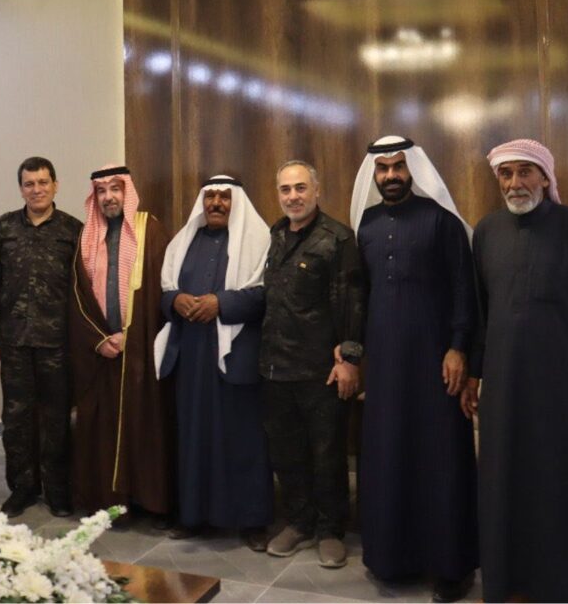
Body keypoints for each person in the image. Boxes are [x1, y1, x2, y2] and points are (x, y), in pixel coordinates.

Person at [463, 139, 568, 602]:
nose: (515, 183)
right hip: (505, 390)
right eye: (506, 174)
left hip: (564, 388)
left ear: (545, 177)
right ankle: (510, 581)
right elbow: (479, 313)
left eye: (524, 172)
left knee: (563, 487)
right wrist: (474, 374)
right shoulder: (487, 232)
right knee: (505, 485)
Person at [350, 136, 478, 602]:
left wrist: (458, 348)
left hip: (434, 362)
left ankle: (450, 567)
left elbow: (465, 292)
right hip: (384, 365)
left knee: (440, 457)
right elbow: (359, 295)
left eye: (398, 167)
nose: (390, 176)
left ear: (413, 170)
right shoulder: (365, 224)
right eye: (382, 169)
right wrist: (355, 354)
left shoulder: (441, 222)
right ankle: (393, 559)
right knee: (389, 454)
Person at [155, 175, 273, 551]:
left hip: (235, 356)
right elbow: (164, 291)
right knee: (194, 438)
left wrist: (222, 303)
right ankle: (193, 516)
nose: (216, 203)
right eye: (210, 197)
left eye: (224, 197)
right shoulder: (183, 241)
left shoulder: (258, 242)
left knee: (243, 441)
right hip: (191, 357)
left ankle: (251, 521)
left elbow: (265, 295)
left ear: (236, 201)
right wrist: (174, 301)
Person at [260, 161, 365, 567]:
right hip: (274, 367)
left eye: (300, 188)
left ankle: (330, 529)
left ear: (317, 191)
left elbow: (353, 301)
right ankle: (299, 522)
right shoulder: (275, 234)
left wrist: (350, 358)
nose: (293, 196)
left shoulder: (338, 239)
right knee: (286, 453)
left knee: (327, 454)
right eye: (285, 189)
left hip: (321, 368)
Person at [68, 165, 174, 522]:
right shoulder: (85, 237)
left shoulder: (150, 230)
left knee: (141, 427)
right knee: (100, 430)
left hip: (138, 349)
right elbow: (76, 296)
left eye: (116, 189)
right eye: (102, 191)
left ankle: (144, 502)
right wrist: (98, 340)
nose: (109, 196)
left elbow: (162, 290)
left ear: (127, 192)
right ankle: (104, 501)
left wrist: (132, 333)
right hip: (100, 354)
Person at [0, 157, 83, 518]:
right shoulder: (4, 227)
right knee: (16, 419)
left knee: (57, 419)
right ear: (21, 188)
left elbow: (80, 290)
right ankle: (23, 488)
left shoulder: (73, 230)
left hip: (57, 343)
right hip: (14, 340)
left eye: (43, 182)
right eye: (29, 184)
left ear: (56, 185)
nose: (37, 189)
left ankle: (58, 489)